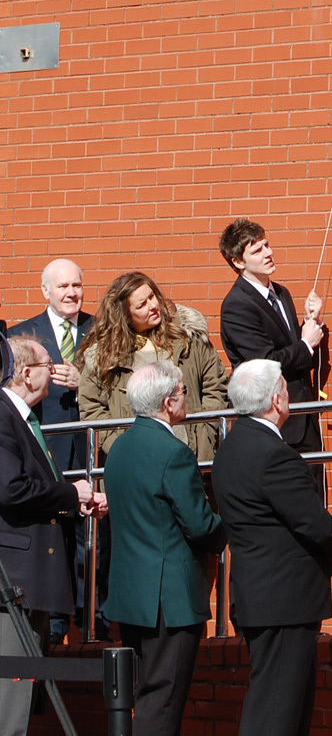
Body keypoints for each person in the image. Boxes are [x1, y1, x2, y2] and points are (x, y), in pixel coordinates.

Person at [212, 359, 332, 736]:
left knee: (284, 708)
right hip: (284, 600)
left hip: (262, 596)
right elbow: (313, 521)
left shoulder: (231, 446)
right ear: (277, 399)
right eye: (286, 389)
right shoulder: (273, 454)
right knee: (276, 711)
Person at [102, 361, 225, 736]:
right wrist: (229, 528)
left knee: (145, 695)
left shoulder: (119, 448)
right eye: (184, 391)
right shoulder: (174, 452)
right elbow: (200, 524)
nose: (186, 397)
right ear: (169, 402)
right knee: (164, 700)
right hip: (169, 601)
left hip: (130, 595)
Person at [0, 335, 105, 736]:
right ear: (27, 374)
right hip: (15, 584)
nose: (55, 371)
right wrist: (69, 493)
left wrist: (73, 502)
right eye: (47, 364)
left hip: (31, 583)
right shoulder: (3, 415)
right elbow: (11, 490)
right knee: (10, 701)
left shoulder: (25, 418)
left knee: (24, 698)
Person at [9, 259, 109, 643]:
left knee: (92, 540)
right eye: (63, 287)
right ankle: (52, 626)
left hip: (89, 450)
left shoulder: (101, 332)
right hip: (45, 451)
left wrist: (85, 382)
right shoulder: (24, 335)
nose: (72, 293)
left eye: (77, 285)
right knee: (52, 537)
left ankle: (91, 623)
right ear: (45, 291)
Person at [218, 218, 326, 497]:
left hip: (303, 417)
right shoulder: (237, 305)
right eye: (257, 251)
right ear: (238, 262)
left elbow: (294, 349)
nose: (268, 253)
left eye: (267, 245)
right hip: (272, 420)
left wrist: (309, 323)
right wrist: (305, 345)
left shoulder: (281, 293)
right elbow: (264, 361)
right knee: (288, 500)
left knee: (311, 496)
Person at [77, 272, 229, 463]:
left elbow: (215, 384)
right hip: (136, 462)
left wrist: (205, 430)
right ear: (125, 315)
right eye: (141, 305)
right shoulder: (104, 355)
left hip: (192, 453)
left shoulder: (187, 336)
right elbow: (92, 409)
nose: (153, 306)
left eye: (152, 296)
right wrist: (122, 446)